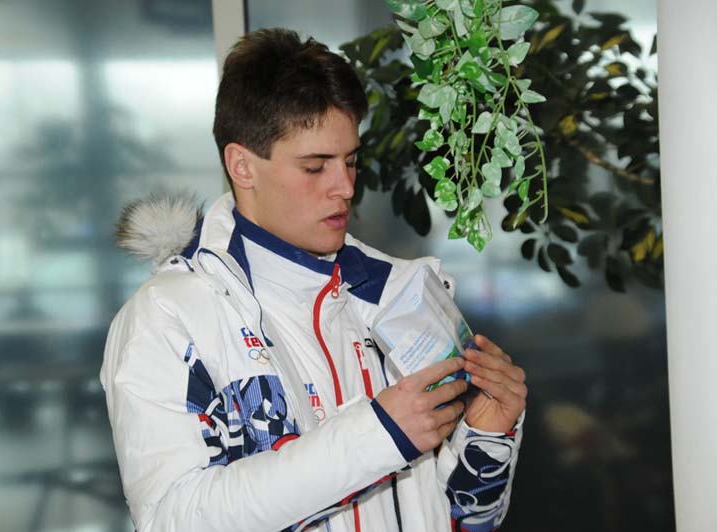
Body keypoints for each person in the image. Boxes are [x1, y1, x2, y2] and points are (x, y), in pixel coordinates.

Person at [102, 28, 527, 532]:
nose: (344, 187)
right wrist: (375, 438)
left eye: (350, 161)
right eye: (314, 167)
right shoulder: (169, 317)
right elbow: (173, 519)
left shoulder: (401, 291)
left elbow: (469, 518)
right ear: (242, 165)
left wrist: (488, 438)